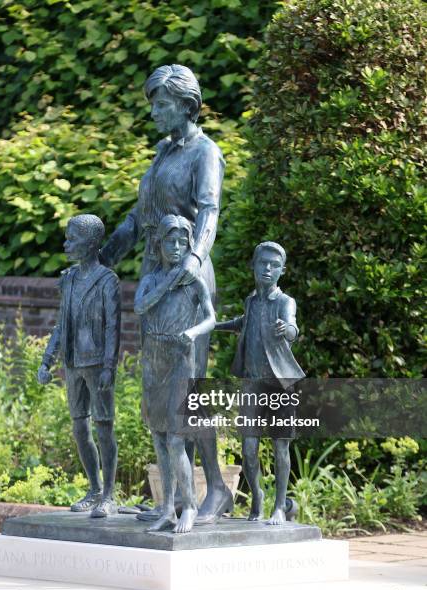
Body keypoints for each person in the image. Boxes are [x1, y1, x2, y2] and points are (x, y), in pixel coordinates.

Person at [100, 64, 232, 524]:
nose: (154, 112)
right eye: (152, 103)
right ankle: (175, 497)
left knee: (188, 390)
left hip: (187, 274)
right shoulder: (161, 155)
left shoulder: (205, 152)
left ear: (187, 106)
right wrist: (103, 256)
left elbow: (210, 212)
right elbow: (138, 220)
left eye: (161, 104)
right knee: (160, 391)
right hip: (155, 277)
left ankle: (214, 487)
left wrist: (194, 260)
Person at [134, 215, 216, 533]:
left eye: (183, 242)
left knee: (177, 438)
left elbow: (210, 317)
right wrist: (169, 280)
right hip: (154, 359)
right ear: (160, 244)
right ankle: (167, 507)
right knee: (158, 435)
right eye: (171, 241)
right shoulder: (152, 280)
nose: (178, 247)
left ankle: (190, 506)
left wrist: (194, 332)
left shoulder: (194, 282)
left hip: (182, 359)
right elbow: (141, 306)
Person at [215, 242, 305, 524]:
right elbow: (244, 321)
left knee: (281, 446)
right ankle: (258, 498)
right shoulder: (251, 301)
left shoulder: (284, 302)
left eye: (274, 265)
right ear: (253, 266)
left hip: (280, 385)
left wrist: (287, 330)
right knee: (248, 449)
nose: (268, 269)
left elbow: (292, 327)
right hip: (252, 385)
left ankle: (280, 506)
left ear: (282, 270)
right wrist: (213, 326)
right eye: (263, 263)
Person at [37, 214, 120, 519]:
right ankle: (94, 489)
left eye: (72, 239)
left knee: (104, 428)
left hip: (98, 365)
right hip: (73, 363)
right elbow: (62, 323)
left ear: (92, 243)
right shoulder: (69, 278)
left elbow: (114, 327)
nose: (66, 244)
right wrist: (48, 359)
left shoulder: (107, 281)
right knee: (79, 428)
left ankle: (109, 496)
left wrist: (110, 367)